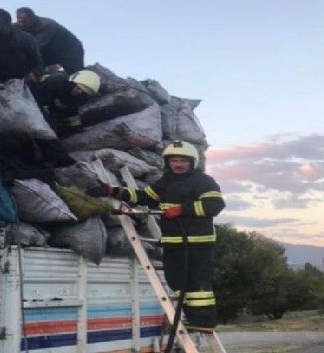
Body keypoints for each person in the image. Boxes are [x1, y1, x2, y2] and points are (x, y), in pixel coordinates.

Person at [86, 141, 226, 330]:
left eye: (182, 161)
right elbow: (146, 197)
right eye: (174, 160)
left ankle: (204, 321)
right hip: (172, 242)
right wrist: (114, 191)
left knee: (198, 284)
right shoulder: (165, 182)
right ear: (168, 162)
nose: (178, 164)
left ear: (191, 162)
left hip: (197, 242)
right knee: (176, 281)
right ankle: (192, 319)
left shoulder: (203, 181)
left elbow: (215, 205)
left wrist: (182, 209)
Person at [15, 7, 85, 75]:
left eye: (24, 22)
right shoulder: (18, 25)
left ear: (33, 19)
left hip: (70, 49)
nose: (21, 24)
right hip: (50, 50)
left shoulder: (47, 25)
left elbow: (35, 46)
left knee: (76, 75)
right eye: (19, 21)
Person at [31, 70, 101, 137]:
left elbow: (72, 113)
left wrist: (78, 129)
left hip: (46, 110)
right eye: (79, 88)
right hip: (30, 102)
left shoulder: (76, 98)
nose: (79, 92)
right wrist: (49, 123)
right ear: (73, 82)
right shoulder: (56, 81)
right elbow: (39, 100)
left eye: (84, 92)